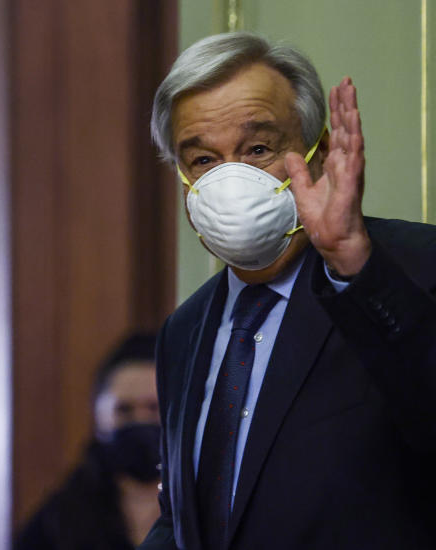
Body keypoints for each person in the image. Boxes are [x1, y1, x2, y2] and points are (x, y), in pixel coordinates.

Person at [140, 32, 436, 550]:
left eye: (258, 149)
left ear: (316, 155)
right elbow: (188, 522)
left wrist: (354, 268)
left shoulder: (410, 267)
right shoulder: (183, 332)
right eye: (204, 160)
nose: (230, 180)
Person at [15, 334, 162, 550]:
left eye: (153, 408)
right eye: (123, 409)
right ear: (99, 415)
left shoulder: (205, 510)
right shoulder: (61, 518)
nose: (140, 420)